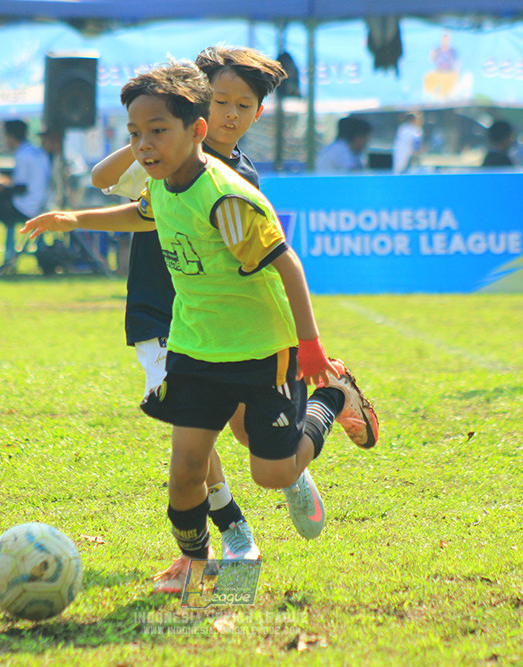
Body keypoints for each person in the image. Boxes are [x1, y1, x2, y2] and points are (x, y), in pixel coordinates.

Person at [23, 60, 378, 593]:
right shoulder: (164, 183)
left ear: (197, 130)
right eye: (135, 134)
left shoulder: (228, 195)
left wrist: (310, 347)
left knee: (270, 473)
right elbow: (143, 213)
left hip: (260, 348)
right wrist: (74, 218)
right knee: (186, 469)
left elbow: (288, 265)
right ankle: (197, 562)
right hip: (194, 345)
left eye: (157, 132)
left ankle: (328, 400)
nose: (144, 145)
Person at [90, 45, 308, 594]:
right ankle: (224, 539)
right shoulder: (161, 151)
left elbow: (268, 264)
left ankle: (289, 465)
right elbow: (102, 179)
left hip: (220, 325)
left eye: (244, 104)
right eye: (222, 100)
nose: (232, 114)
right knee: (192, 445)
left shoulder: (233, 180)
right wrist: (151, 127)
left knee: (235, 430)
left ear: (257, 113)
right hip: (157, 313)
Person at [0, 119, 50, 276]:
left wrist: (1, 187)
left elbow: (21, 188)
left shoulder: (22, 154)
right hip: (39, 205)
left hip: (25, 207)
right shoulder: (37, 152)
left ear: (11, 136)